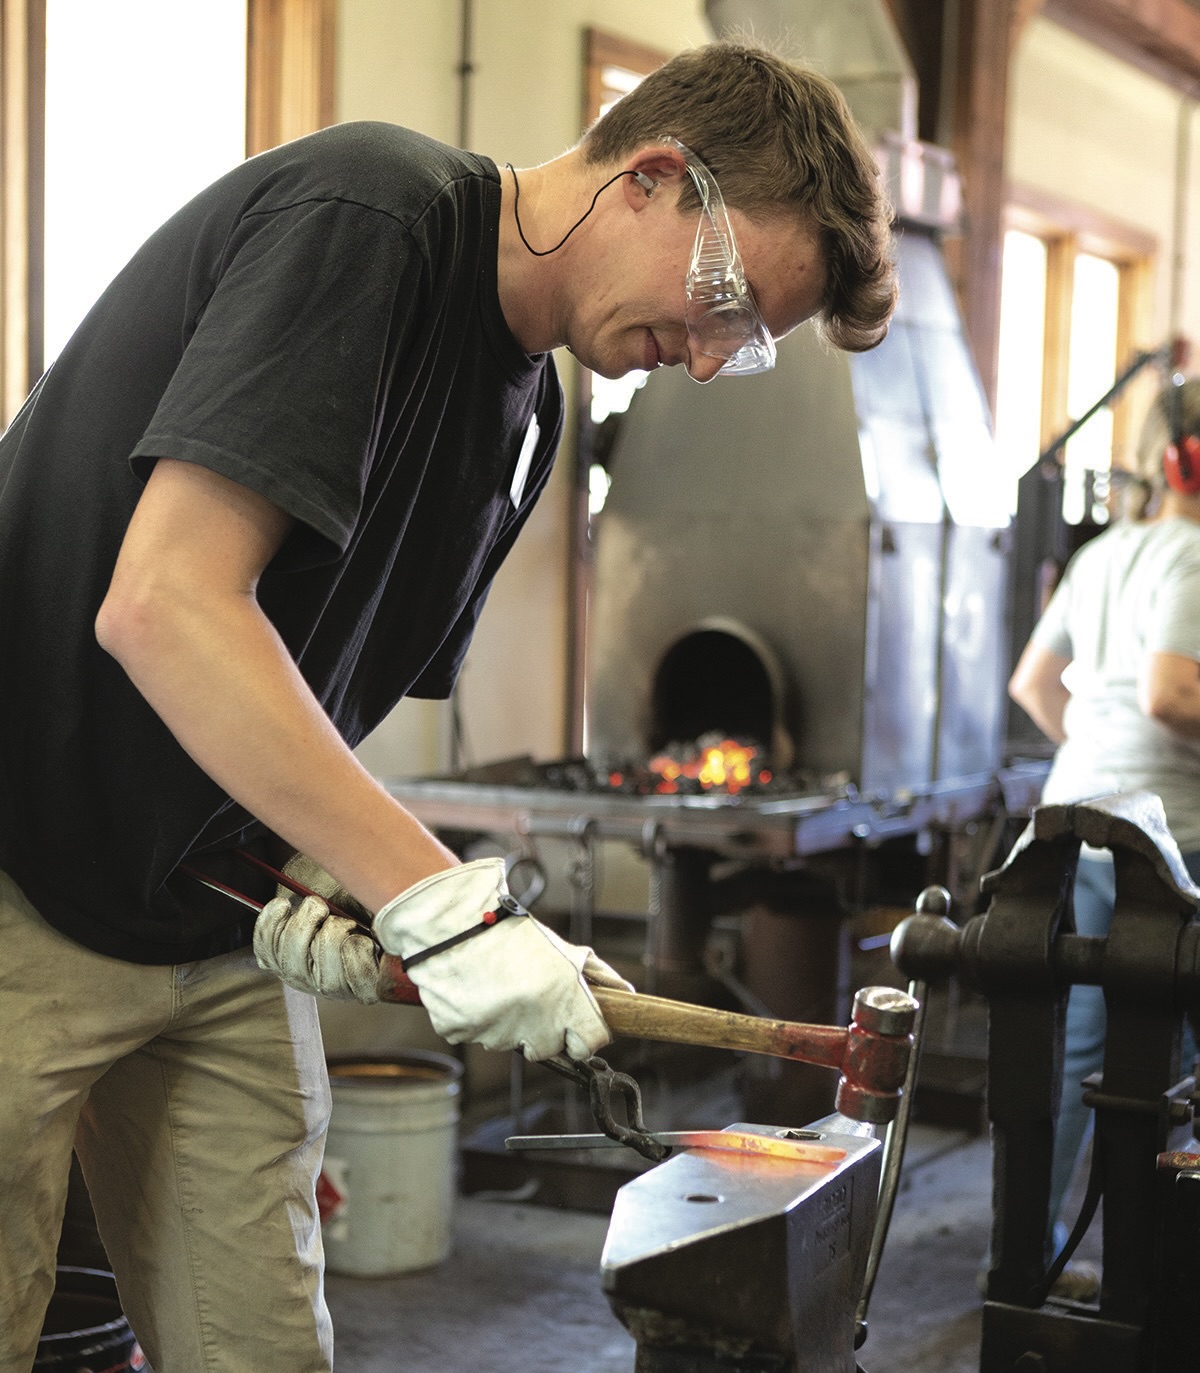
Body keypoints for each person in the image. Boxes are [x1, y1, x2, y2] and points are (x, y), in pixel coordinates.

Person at [0, 37, 896, 1372]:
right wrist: (446, 902)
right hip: (18, 871)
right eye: (723, 301)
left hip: (200, 929)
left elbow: (291, 703)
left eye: (745, 345)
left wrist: (331, 894)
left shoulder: (524, 415)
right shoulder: (371, 216)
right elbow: (168, 606)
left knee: (263, 1350)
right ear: (650, 175)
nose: (709, 361)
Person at [1007, 375, 1200, 1297]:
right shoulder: (1193, 555)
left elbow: (1034, 687)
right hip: (1175, 838)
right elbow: (1172, 697)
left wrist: (1095, 756)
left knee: (1087, 1040)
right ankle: (1165, 1264)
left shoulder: (1106, 554)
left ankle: (1032, 1253)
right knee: (1187, 1051)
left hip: (1080, 819)